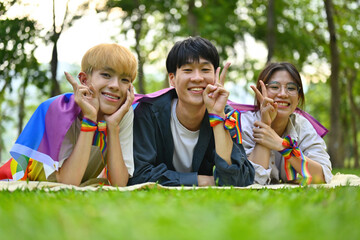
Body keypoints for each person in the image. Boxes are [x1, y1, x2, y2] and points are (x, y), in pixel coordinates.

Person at [0, 43, 137, 187]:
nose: (115, 85)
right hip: (23, 175)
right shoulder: (61, 110)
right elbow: (68, 183)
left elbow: (119, 184)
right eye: (106, 75)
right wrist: (90, 119)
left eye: (125, 80)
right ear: (84, 80)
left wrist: (113, 127)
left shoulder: (123, 112)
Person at [128, 36, 254, 187]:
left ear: (215, 76)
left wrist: (217, 116)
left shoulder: (227, 115)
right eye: (188, 70)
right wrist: (202, 180)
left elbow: (238, 179)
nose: (197, 78)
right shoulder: (148, 113)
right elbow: (140, 174)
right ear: (172, 79)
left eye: (205, 70)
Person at [241, 62, 332, 185]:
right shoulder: (245, 125)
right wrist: (265, 125)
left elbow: (321, 176)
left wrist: (283, 146)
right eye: (274, 87)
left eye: (291, 88)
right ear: (260, 93)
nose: (283, 94)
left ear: (299, 97)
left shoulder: (302, 126)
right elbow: (252, 181)